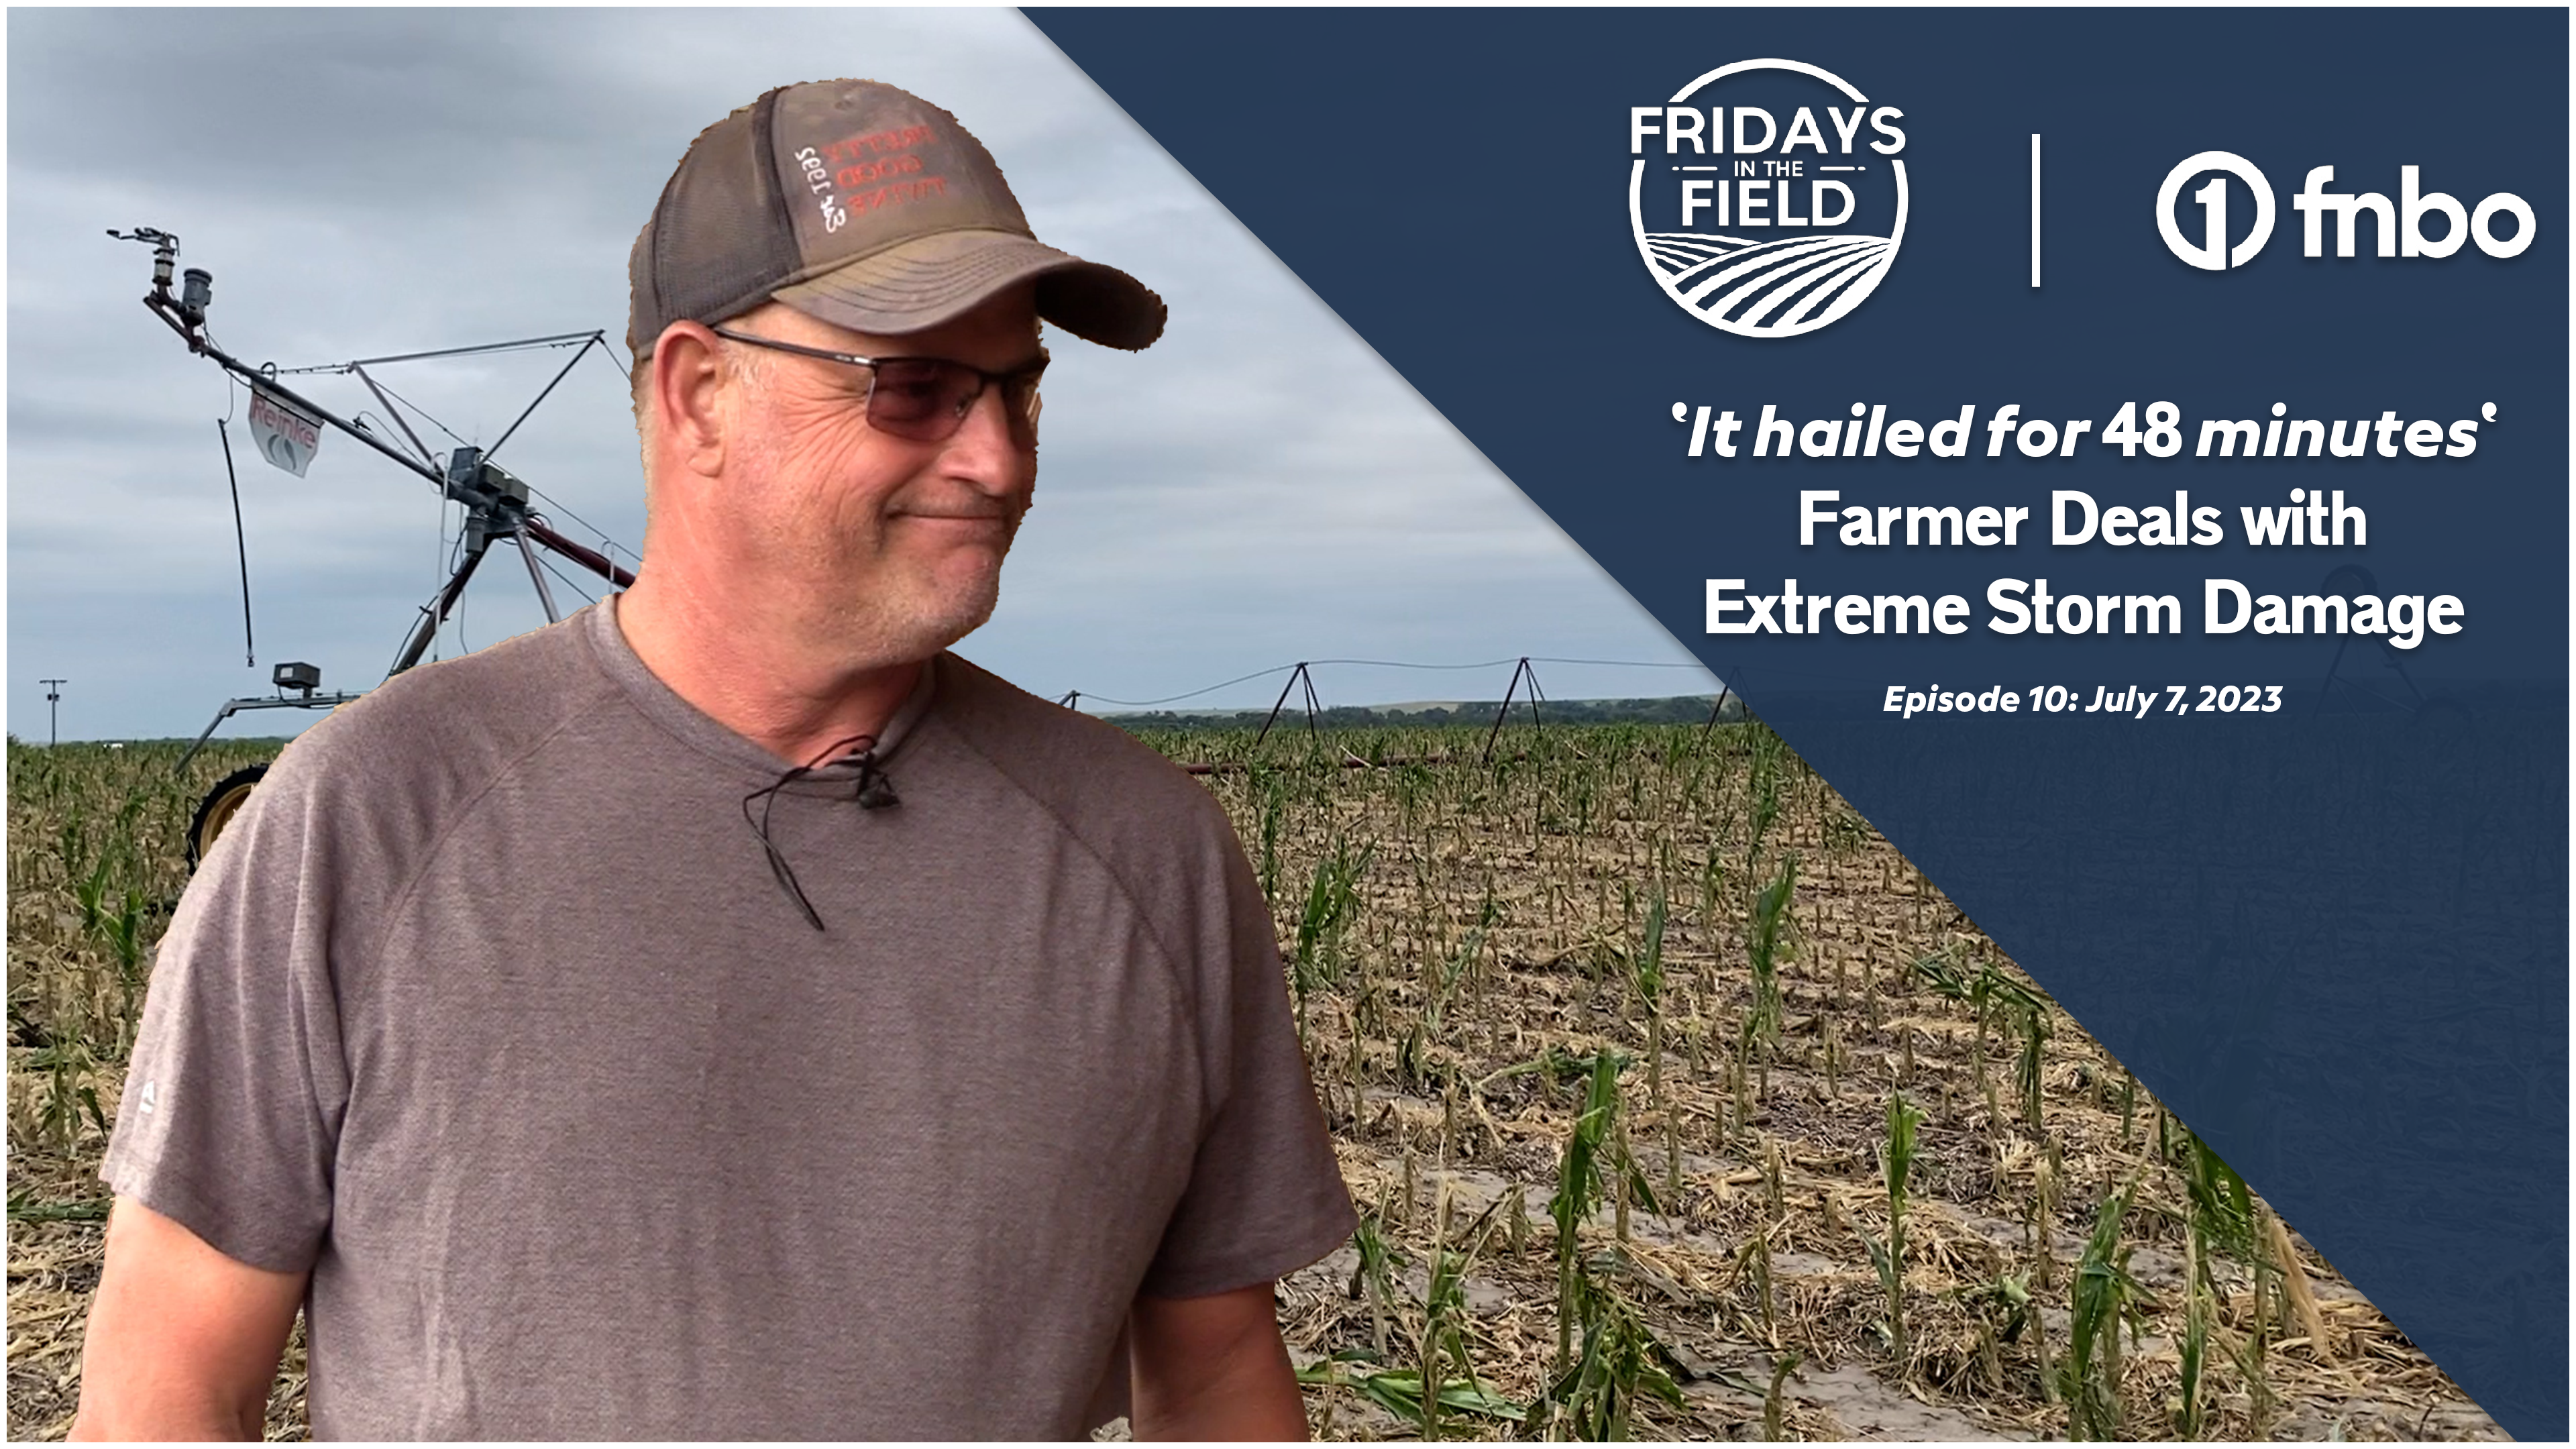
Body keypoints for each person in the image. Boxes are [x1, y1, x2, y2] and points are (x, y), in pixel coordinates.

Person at [72, 79, 1355, 1441]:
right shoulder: (368, 818)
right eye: (915, 388)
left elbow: (1217, 1373)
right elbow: (171, 1380)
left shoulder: (1151, 858)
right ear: (697, 395)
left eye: (1021, 390)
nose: (997, 460)